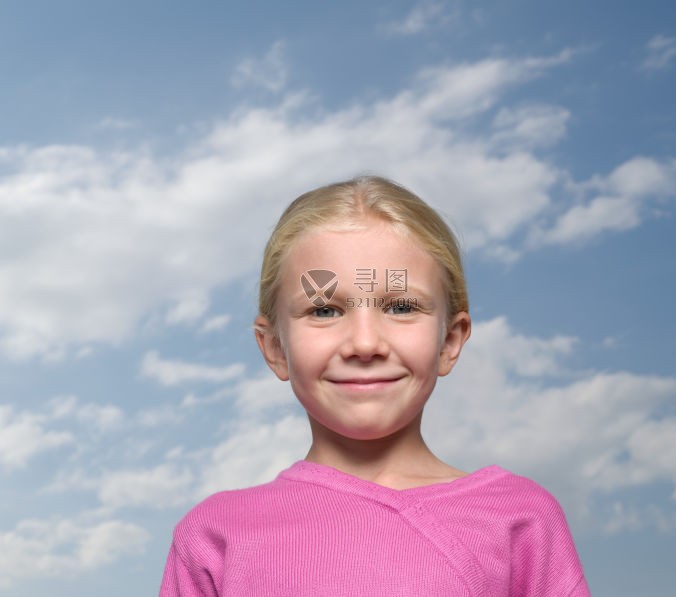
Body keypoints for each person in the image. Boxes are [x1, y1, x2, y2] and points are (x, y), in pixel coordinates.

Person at [159, 176, 590, 596]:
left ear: (450, 341)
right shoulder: (214, 535)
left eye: (401, 307)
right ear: (274, 347)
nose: (365, 344)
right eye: (325, 311)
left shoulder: (520, 519)